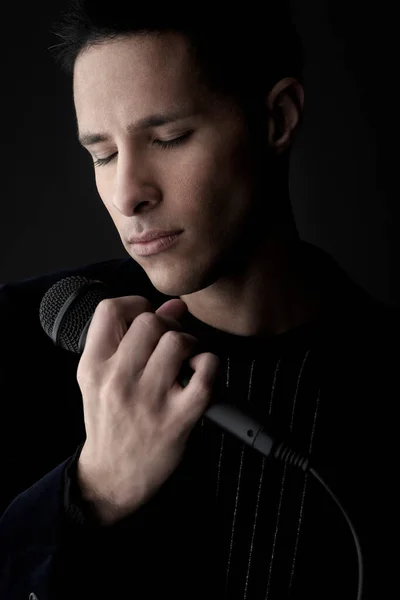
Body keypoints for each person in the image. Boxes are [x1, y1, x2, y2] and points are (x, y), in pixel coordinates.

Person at [0, 2, 398, 599]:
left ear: (277, 119)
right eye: (102, 155)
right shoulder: (20, 342)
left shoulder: (385, 376)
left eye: (168, 138)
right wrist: (95, 492)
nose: (128, 193)